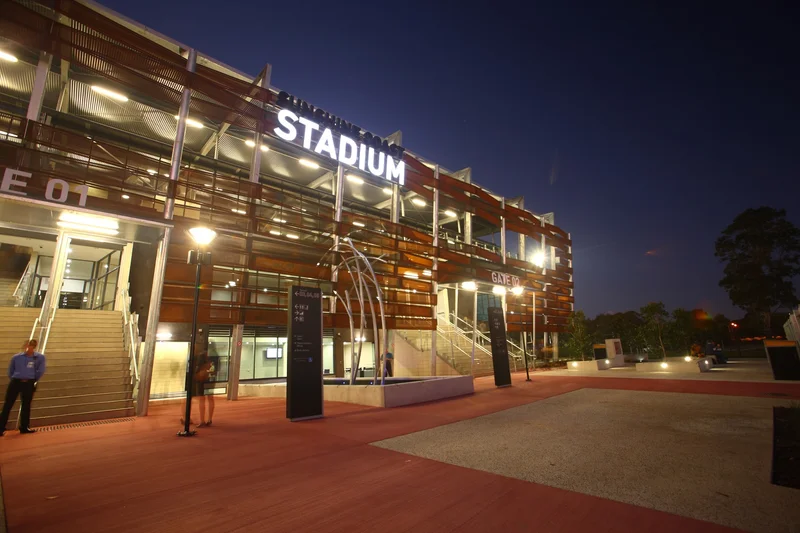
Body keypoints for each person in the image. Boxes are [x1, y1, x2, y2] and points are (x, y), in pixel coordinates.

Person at [0, 339, 46, 435]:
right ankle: (1, 427)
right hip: (15, 382)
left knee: (26, 405)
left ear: (34, 347)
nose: (29, 347)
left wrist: (32, 379)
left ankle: (24, 427)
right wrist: (16, 377)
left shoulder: (39, 357)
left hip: (29, 383)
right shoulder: (16, 357)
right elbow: (10, 370)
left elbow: (40, 370)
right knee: (8, 404)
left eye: (32, 346)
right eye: (28, 345)